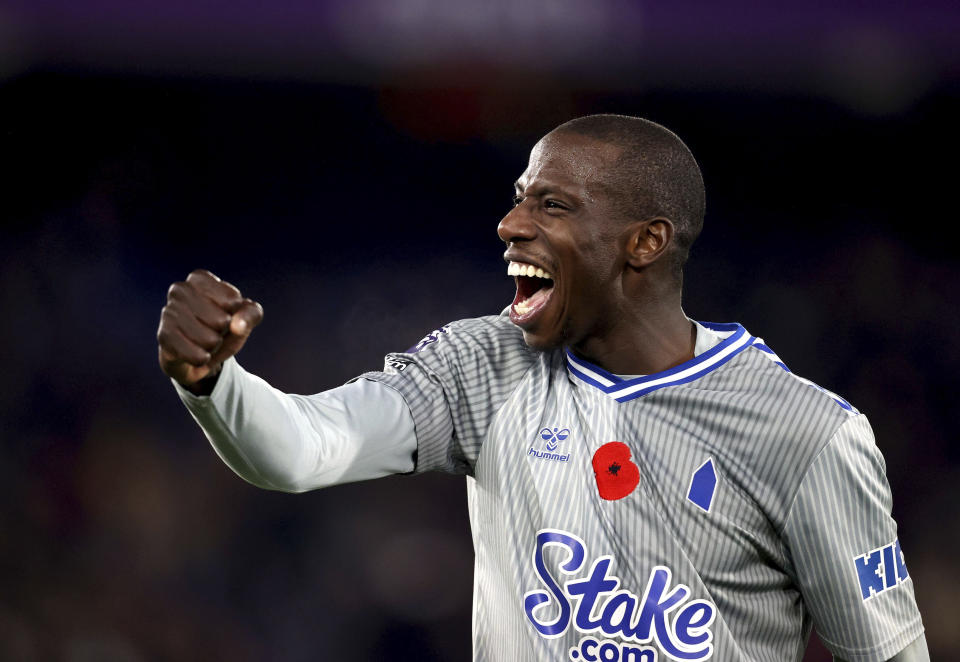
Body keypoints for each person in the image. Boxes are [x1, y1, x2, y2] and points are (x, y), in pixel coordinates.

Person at [157, 114, 927, 661]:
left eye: (550, 204)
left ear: (646, 242)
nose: (508, 223)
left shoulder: (805, 433)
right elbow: (299, 451)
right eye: (520, 196)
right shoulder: (484, 367)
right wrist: (214, 381)